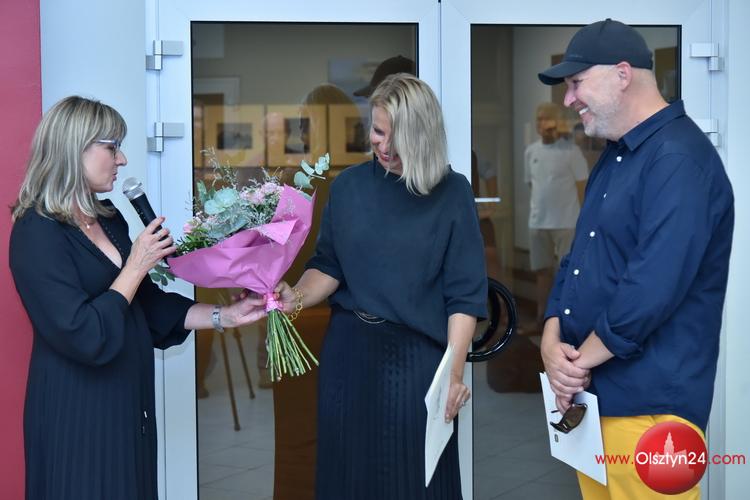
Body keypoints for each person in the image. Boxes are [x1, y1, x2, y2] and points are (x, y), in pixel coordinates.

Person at [9, 96, 268, 500]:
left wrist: (226, 315)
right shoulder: (35, 232)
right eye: (112, 147)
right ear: (74, 148)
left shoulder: (108, 217)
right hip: (76, 412)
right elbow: (82, 333)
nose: (122, 159)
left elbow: (147, 305)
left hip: (127, 403)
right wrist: (136, 264)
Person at [537, 19, 734, 499]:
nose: (569, 99)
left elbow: (652, 287)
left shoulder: (680, 159)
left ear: (622, 74)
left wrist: (575, 364)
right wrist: (551, 336)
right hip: (595, 400)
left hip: (652, 411)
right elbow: (578, 259)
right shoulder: (616, 155)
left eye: (577, 82)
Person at [276, 73, 487, 499]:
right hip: (349, 355)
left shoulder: (452, 192)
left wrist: (454, 375)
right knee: (348, 479)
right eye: (377, 131)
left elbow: (464, 297)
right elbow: (328, 267)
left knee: (416, 482)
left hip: (418, 362)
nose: (384, 146)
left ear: (423, 135)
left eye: (397, 136)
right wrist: (295, 296)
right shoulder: (349, 187)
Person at [524, 102, 588, 330]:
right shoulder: (531, 151)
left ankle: (564, 322)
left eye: (547, 118)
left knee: (567, 273)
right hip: (538, 222)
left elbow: (582, 188)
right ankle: (541, 317)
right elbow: (532, 185)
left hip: (566, 222)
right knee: (542, 271)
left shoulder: (571, 152)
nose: (543, 123)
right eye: (539, 118)